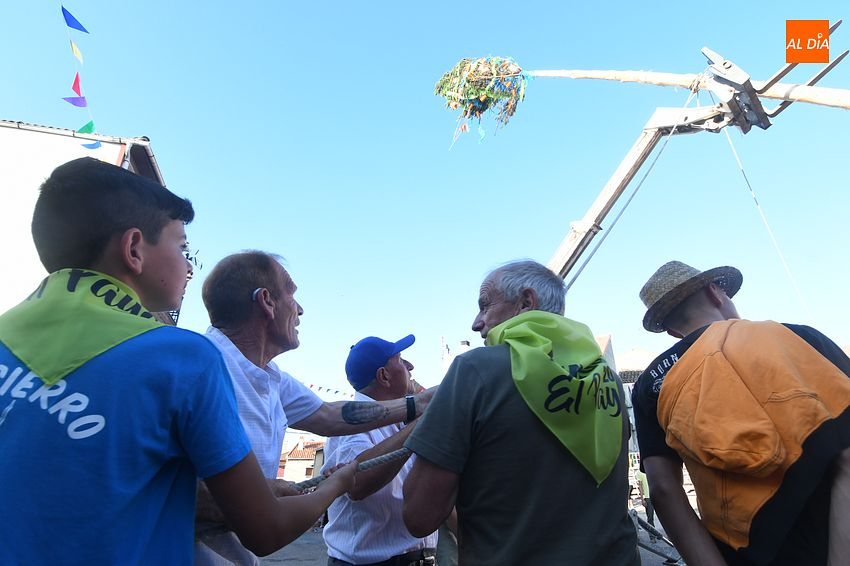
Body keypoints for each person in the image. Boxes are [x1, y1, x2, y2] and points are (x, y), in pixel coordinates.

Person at [0, 158, 355, 565]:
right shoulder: (182, 357)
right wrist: (338, 483)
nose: (189, 266)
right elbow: (265, 528)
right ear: (134, 249)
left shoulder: (8, 333)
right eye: (182, 246)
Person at [196, 251, 435, 564]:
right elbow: (263, 528)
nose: (301, 309)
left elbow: (329, 416)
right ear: (267, 302)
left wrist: (417, 405)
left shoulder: (272, 378)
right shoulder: (200, 365)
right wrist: (328, 486)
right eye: (292, 293)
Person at [403, 260, 639, 565]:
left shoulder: (475, 370)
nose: (477, 323)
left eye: (484, 306)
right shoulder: (608, 381)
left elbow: (419, 516)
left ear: (526, 301)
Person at [632, 260, 850, 566]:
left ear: (671, 330)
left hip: (742, 548)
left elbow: (664, 489)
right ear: (716, 293)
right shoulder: (795, 338)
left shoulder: (650, 384)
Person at [322, 334, 438, 566]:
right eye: (402, 360)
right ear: (383, 376)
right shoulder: (352, 425)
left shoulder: (398, 422)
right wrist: (423, 420)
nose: (410, 366)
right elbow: (357, 484)